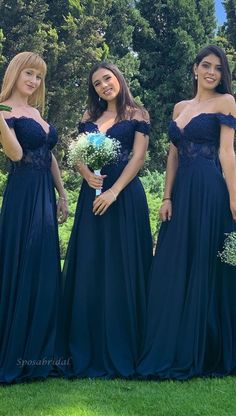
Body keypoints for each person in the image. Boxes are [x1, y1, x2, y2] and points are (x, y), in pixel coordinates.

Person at [137, 45, 236, 380]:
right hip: (181, 194)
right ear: (194, 69)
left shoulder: (226, 103)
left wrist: (235, 199)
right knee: (173, 262)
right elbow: (173, 155)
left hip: (209, 189)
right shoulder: (180, 107)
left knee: (209, 262)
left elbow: (227, 152)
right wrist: (166, 197)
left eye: (218, 68)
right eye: (206, 65)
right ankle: (173, 342)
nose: (212, 72)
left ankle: (207, 347)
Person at [58, 62, 153, 378]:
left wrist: (114, 191)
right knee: (93, 265)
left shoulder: (138, 114)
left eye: (107, 79)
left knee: (122, 266)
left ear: (118, 78)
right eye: (97, 83)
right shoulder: (88, 119)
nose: (103, 86)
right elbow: (78, 157)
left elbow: (138, 157)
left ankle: (125, 344)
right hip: (92, 198)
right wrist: (85, 173)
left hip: (124, 197)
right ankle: (89, 345)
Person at [0, 51, 68, 384]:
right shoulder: (5, 110)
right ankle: (15, 349)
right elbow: (15, 153)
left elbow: (48, 154)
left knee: (42, 265)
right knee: (22, 262)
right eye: (29, 73)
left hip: (44, 194)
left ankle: (40, 350)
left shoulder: (36, 113)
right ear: (15, 73)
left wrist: (63, 193)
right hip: (23, 194)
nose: (34, 81)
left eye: (39, 76)